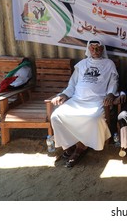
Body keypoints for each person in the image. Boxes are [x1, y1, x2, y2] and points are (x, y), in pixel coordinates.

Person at [51, 40, 118, 168]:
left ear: (102, 49)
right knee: (56, 116)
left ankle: (82, 146)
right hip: (77, 100)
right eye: (92, 48)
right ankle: (70, 145)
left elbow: (114, 82)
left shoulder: (109, 64)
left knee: (94, 118)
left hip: (96, 101)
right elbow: (72, 84)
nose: (95, 51)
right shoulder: (81, 64)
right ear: (89, 49)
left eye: (98, 48)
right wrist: (64, 94)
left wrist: (110, 94)